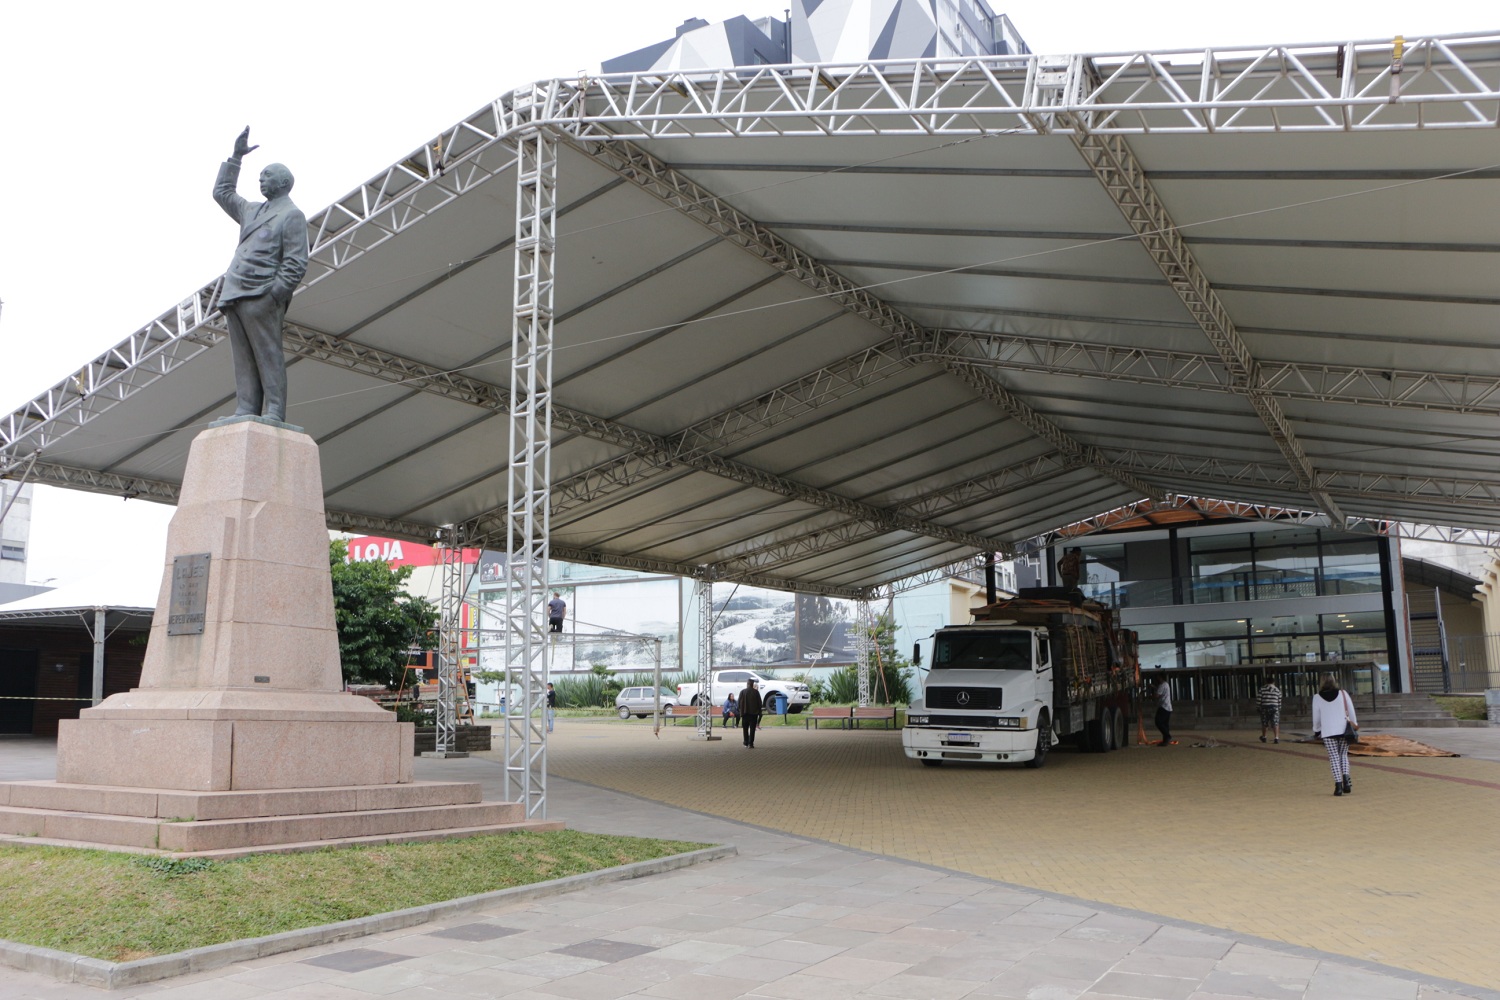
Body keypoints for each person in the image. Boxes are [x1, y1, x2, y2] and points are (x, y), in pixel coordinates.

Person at [213, 127, 308, 423]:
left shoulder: (292, 215)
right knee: (243, 358)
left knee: (268, 354)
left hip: (262, 293)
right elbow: (222, 193)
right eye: (261, 176)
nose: (261, 179)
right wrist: (236, 158)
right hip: (235, 292)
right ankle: (246, 408)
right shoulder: (251, 211)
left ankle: (275, 410)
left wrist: (275, 294)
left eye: (267, 175)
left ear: (283, 183)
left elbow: (295, 261)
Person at [1312, 673, 1358, 796]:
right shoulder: (1343, 694)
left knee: (1333, 757)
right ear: (1334, 681)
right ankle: (1346, 781)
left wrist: (1316, 729)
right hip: (1344, 730)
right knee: (1343, 755)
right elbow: (1351, 711)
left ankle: (1338, 786)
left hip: (1328, 732)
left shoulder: (1317, 697)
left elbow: (1316, 717)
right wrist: (1354, 725)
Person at [738, 678, 763, 748]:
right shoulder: (756, 692)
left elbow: (739, 703)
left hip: (745, 714)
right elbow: (760, 703)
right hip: (754, 714)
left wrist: (740, 710)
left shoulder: (742, 692)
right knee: (752, 729)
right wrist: (758, 711)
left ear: (747, 684)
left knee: (745, 729)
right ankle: (751, 743)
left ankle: (746, 742)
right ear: (752, 684)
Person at [1257, 677, 1282, 744]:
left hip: (1265, 707)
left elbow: (1259, 699)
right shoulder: (1277, 690)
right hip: (1275, 708)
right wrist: (1279, 708)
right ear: (1273, 682)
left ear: (1266, 682)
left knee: (1265, 723)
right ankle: (1276, 738)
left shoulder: (1262, 689)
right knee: (1275, 723)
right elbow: (1279, 701)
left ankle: (1264, 737)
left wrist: (1258, 707)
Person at [1154, 673, 1174, 745]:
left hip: (1163, 706)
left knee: (1158, 722)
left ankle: (1167, 736)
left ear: (1160, 677)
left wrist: (1149, 696)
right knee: (1165, 724)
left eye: (1158, 677)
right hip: (1168, 707)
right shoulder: (1166, 684)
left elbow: (1157, 695)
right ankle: (1165, 740)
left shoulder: (1162, 685)